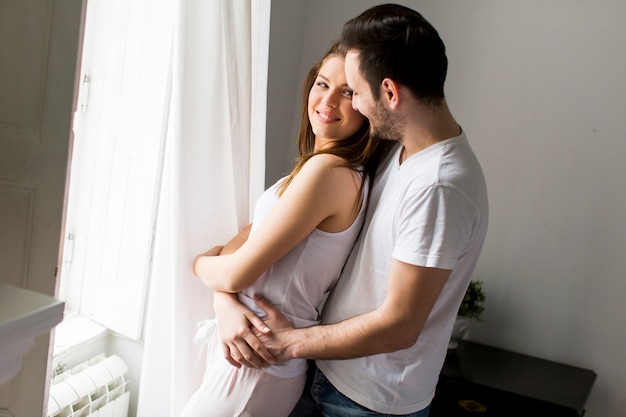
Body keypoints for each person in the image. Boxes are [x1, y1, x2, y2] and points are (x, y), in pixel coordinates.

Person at [215, 4, 489, 417]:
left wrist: (290, 343)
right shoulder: (400, 149)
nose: (355, 105)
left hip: (369, 400)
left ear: (391, 93)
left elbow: (400, 325)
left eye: (355, 91)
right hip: (328, 372)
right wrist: (226, 298)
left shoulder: (439, 186)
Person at [178, 41, 393, 417]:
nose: (328, 101)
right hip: (246, 345)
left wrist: (198, 264)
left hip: (258, 358)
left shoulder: (330, 173)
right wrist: (224, 301)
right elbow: (236, 249)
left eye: (348, 92)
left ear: (365, 105)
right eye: (323, 84)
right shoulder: (311, 171)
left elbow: (234, 270)